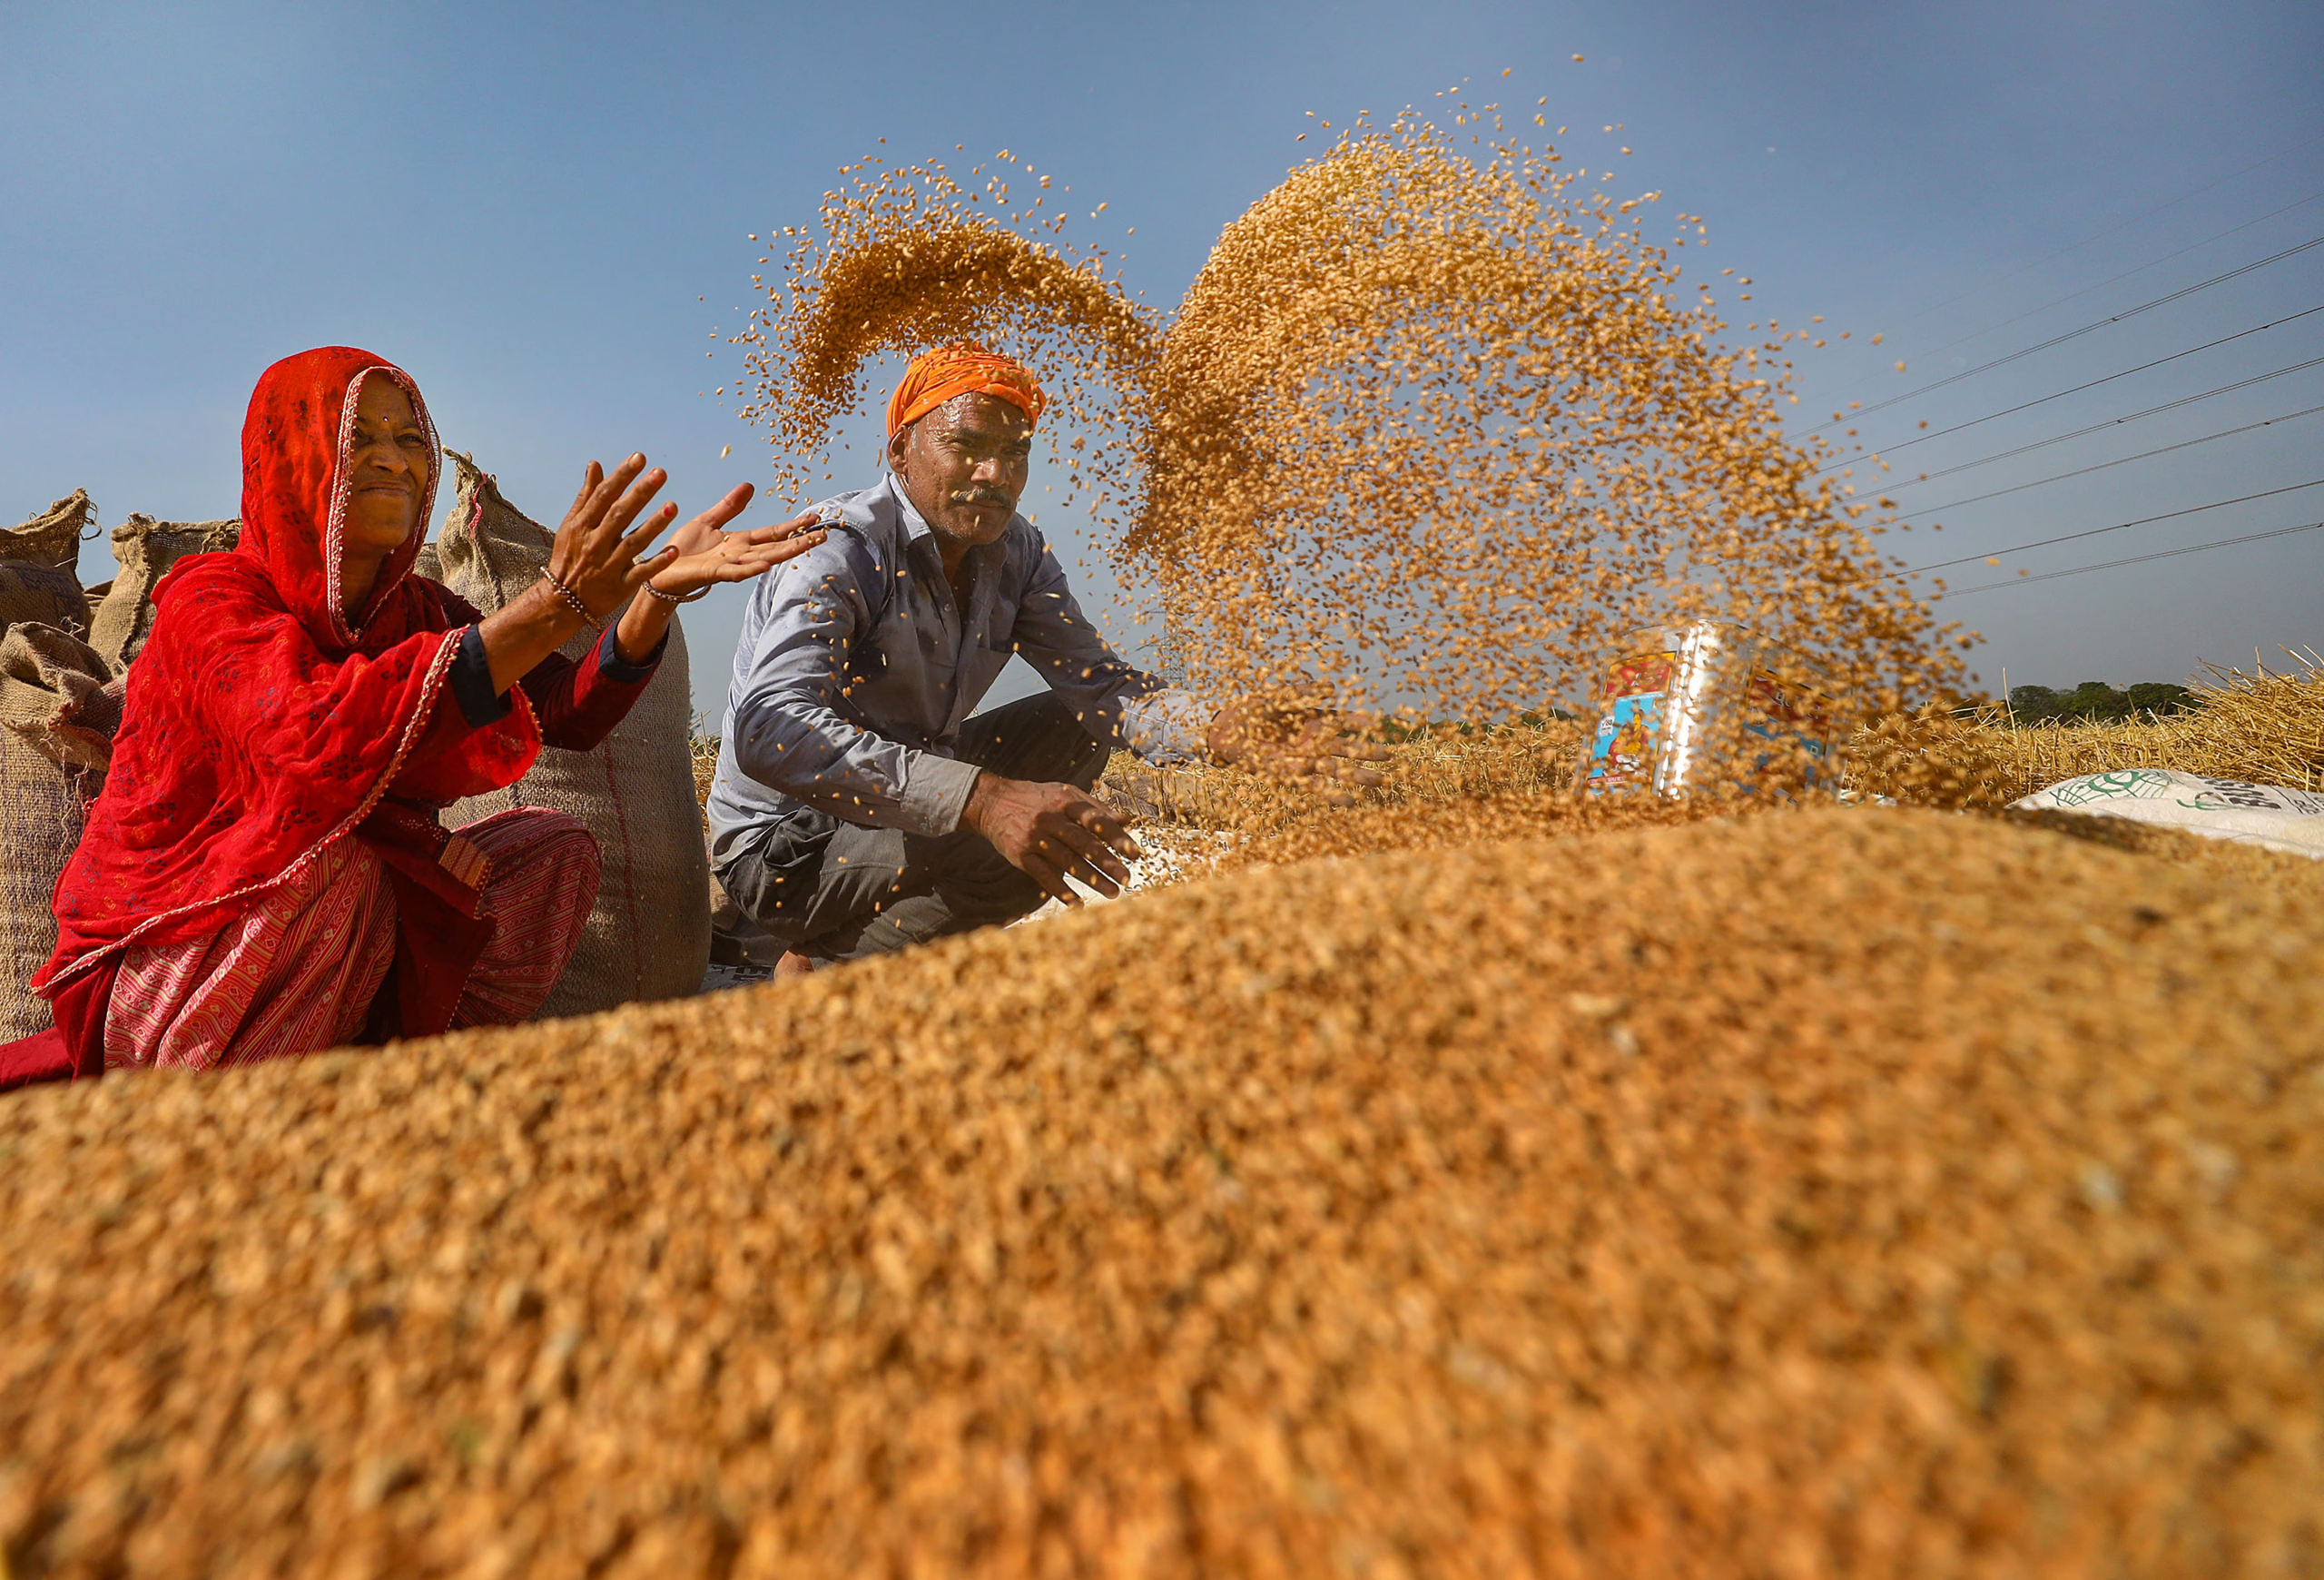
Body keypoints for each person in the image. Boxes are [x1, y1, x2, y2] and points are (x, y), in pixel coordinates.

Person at [10, 344, 822, 1081]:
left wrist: (649, 599)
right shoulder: (211, 600)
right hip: (176, 963)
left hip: (340, 926)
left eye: (409, 440)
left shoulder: (419, 610)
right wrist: (553, 605)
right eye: (361, 438)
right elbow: (313, 744)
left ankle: (400, 1080)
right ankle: (245, 1120)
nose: (395, 463)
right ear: (295, 460)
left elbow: (558, 715)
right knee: (333, 860)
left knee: (553, 850)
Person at [707, 341, 1380, 972]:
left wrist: (1219, 727)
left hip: (899, 814)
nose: (994, 474)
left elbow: (1103, 687)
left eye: (1015, 452)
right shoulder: (841, 549)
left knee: (1068, 730)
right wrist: (982, 798)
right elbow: (771, 730)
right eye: (965, 445)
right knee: (1005, 831)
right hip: (783, 849)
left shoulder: (1017, 554)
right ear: (901, 451)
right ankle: (833, 965)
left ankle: (841, 950)